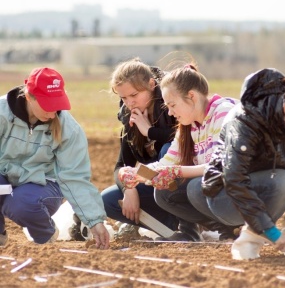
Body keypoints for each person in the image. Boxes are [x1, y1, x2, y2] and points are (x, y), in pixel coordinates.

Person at [118, 62, 241, 241]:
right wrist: (136, 174)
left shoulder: (224, 113)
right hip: (220, 187)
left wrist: (178, 171)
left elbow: (222, 166)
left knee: (196, 187)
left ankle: (237, 226)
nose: (170, 112)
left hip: (244, 188)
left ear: (191, 96)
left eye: (172, 105)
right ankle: (225, 230)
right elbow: (166, 163)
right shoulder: (187, 126)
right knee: (164, 193)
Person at [0, 67, 110, 249]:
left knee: (22, 204)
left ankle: (46, 234)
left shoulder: (69, 129)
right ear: (29, 97)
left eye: (56, 104)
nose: (53, 113)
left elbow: (75, 177)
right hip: (3, 176)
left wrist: (94, 220)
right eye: (46, 104)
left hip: (43, 184)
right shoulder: (2, 113)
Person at [197, 68, 285, 259]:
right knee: (283, 181)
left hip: (264, 185)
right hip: (226, 196)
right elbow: (234, 179)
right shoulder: (246, 120)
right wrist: (271, 231)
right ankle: (248, 244)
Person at [101, 58, 179, 232]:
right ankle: (166, 225)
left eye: (134, 95)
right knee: (107, 200)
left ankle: (187, 220)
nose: (130, 103)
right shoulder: (129, 118)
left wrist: (149, 132)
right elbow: (121, 165)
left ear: (151, 84)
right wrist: (129, 188)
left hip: (179, 185)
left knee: (166, 150)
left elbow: (184, 141)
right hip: (151, 184)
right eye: (124, 97)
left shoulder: (172, 107)